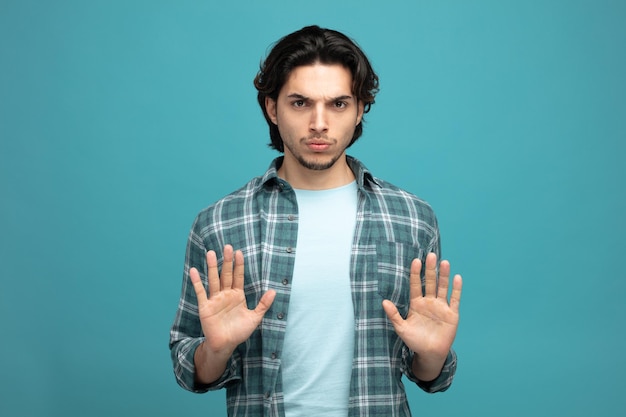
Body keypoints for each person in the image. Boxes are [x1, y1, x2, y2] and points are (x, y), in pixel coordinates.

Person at [169, 25, 463, 417]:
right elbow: (188, 364)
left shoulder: (413, 218)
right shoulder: (219, 223)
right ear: (272, 108)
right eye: (300, 103)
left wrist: (432, 356)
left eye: (338, 104)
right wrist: (216, 350)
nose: (319, 123)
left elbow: (428, 373)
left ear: (360, 109)